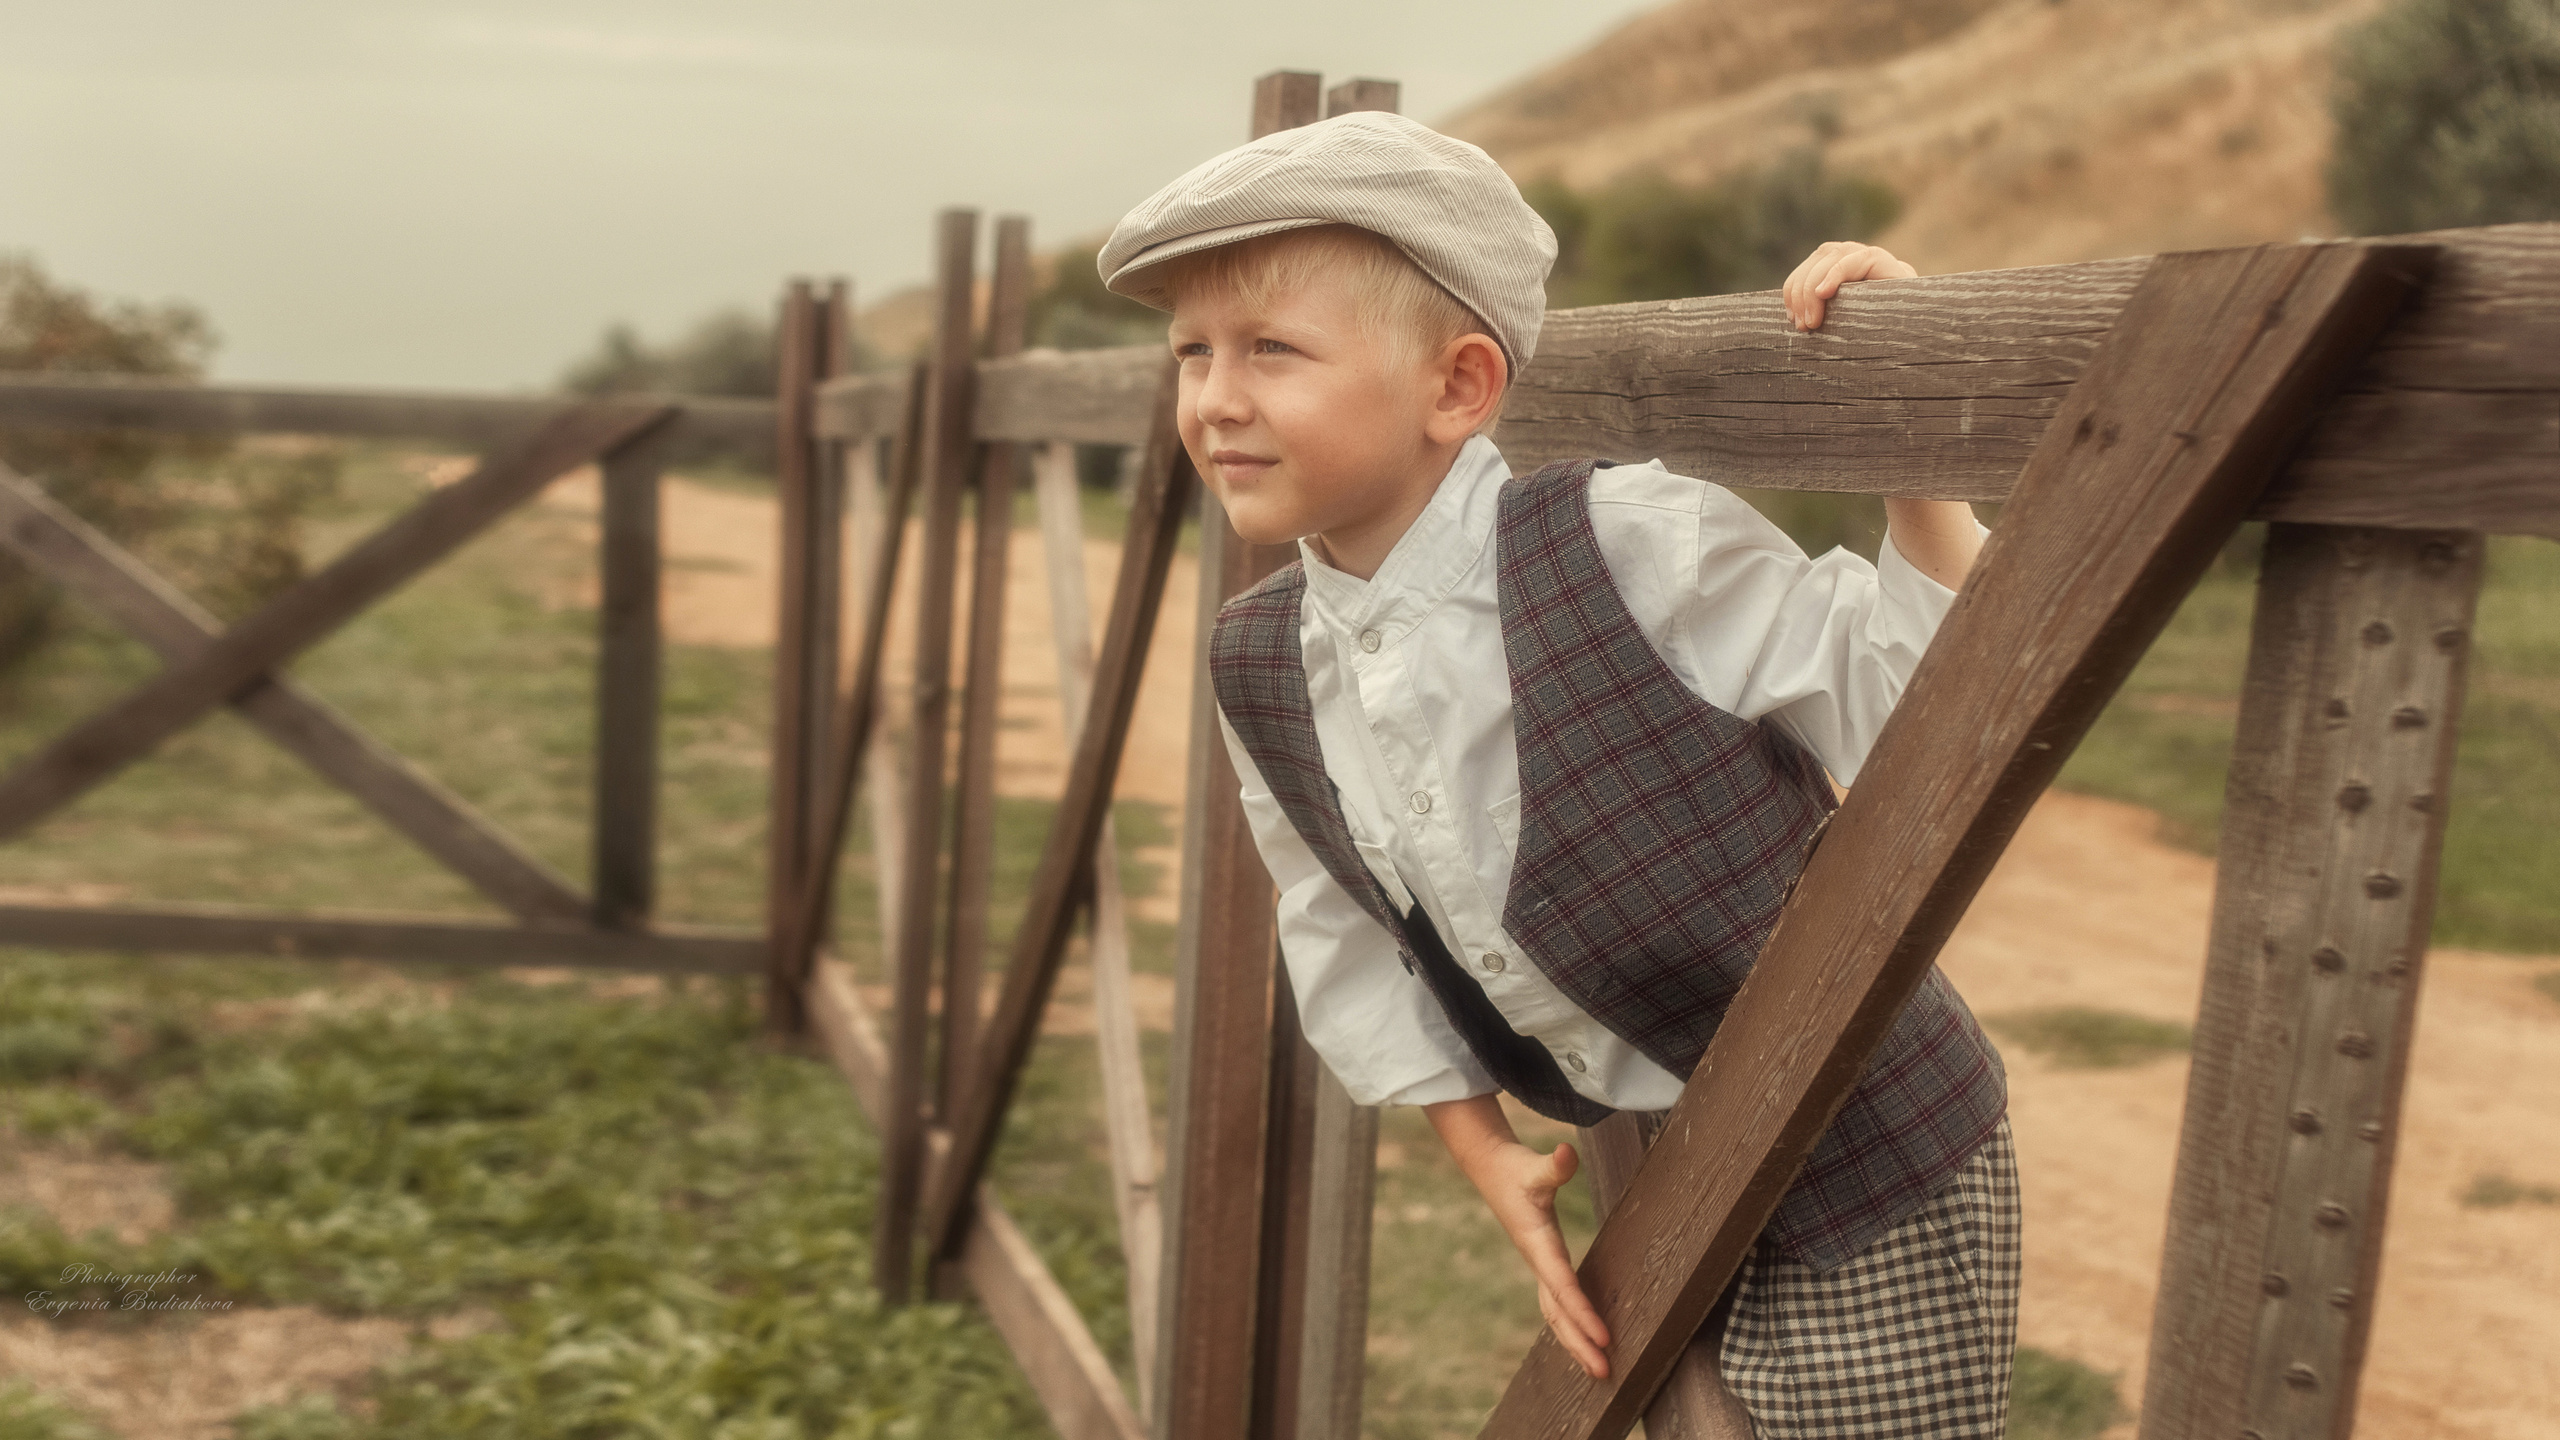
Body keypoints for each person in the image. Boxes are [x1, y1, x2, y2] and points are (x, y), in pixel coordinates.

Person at [1097, 111, 2015, 1439]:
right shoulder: (1263, 657)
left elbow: (1912, 709)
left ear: (1458, 387)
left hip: (1866, 1150)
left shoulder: (1624, 539)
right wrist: (1480, 1148)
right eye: (1192, 351)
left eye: (1271, 349)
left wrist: (1916, 435)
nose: (1215, 398)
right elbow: (1339, 925)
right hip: (1648, 1173)